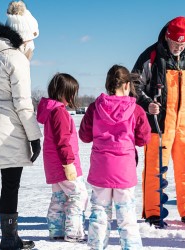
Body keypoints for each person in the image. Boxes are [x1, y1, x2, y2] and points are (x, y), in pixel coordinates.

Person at [132, 16, 185, 226]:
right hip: (159, 121)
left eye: (182, 43)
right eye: (175, 43)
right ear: (168, 38)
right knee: (155, 167)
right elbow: (133, 85)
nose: (179, 47)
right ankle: (153, 212)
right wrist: (147, 103)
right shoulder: (151, 54)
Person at [0, 1, 41, 249]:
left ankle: (10, 239)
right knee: (10, 183)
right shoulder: (16, 58)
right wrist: (34, 137)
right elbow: (23, 103)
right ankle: (9, 239)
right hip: (9, 132)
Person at [79, 65, 151, 250]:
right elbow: (144, 139)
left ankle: (96, 247)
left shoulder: (95, 107)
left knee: (99, 213)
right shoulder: (136, 110)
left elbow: (85, 136)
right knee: (127, 217)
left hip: (100, 169)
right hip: (124, 171)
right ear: (127, 85)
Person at [36, 73, 88, 242]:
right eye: (72, 92)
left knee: (59, 198)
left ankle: (56, 230)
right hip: (65, 164)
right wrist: (69, 163)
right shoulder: (59, 112)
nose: (73, 96)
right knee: (78, 195)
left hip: (53, 165)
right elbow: (63, 140)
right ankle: (74, 232)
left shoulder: (51, 111)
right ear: (65, 92)